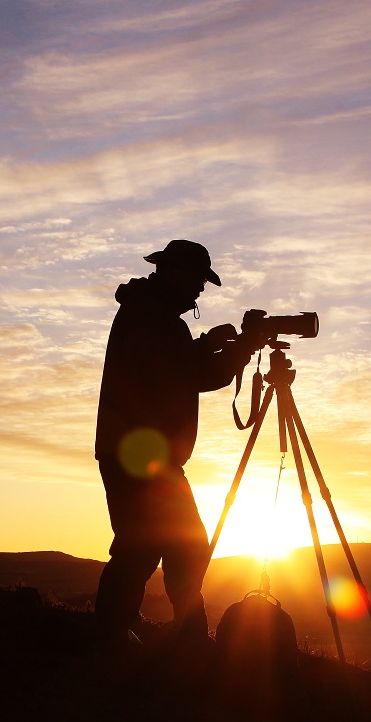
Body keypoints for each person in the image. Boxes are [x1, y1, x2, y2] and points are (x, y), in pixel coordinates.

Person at [94, 239, 250, 651]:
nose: (201, 290)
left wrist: (211, 345)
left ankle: (173, 636)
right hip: (140, 454)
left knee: (158, 546)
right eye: (199, 280)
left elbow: (171, 364)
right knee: (154, 547)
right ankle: (164, 639)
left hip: (138, 451)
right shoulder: (151, 316)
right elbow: (182, 376)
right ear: (176, 273)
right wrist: (239, 353)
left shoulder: (149, 312)